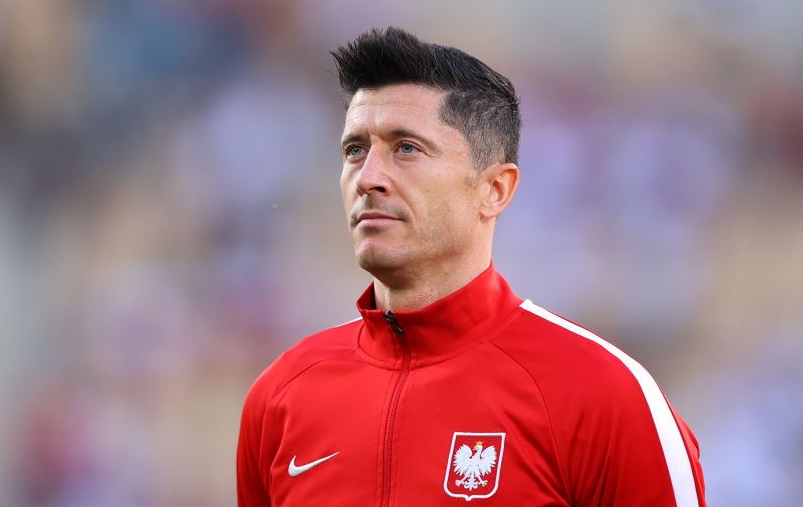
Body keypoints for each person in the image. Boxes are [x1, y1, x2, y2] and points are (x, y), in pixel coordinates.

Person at [236, 27, 706, 506]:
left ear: (494, 190)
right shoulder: (280, 397)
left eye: (406, 148)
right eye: (355, 149)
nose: (368, 177)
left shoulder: (602, 394)